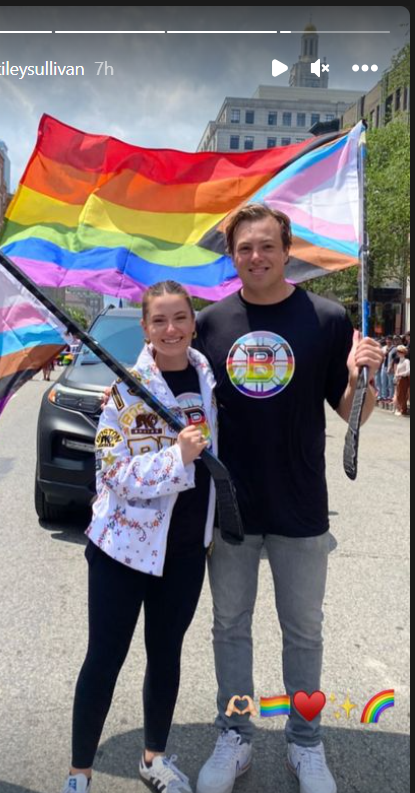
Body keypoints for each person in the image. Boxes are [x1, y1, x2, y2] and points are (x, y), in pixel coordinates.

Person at [192, 204, 383, 793]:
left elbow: (353, 415)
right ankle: (237, 735)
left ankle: (306, 744)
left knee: (304, 630)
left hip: (301, 504)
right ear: (233, 255)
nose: (257, 256)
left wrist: (360, 378)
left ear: (286, 248)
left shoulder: (326, 318)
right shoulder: (211, 323)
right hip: (231, 504)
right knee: (231, 626)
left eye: (267, 246)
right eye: (245, 248)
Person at [61, 280, 218, 793]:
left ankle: (154, 757)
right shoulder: (125, 388)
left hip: (187, 548)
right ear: (146, 328)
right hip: (123, 549)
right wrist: (178, 459)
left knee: (166, 653)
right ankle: (79, 772)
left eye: (180, 318)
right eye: (159, 321)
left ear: (194, 322)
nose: (171, 329)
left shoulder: (208, 377)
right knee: (104, 658)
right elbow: (112, 471)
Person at [393, 345, 410, 416]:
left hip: (404, 379)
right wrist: (396, 376)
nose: (398, 353)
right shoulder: (400, 361)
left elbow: (409, 371)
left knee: (403, 394)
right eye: (398, 352)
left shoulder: (406, 361)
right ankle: (399, 409)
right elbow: (397, 371)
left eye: (400, 352)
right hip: (399, 379)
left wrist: (400, 374)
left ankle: (403, 410)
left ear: (403, 353)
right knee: (399, 394)